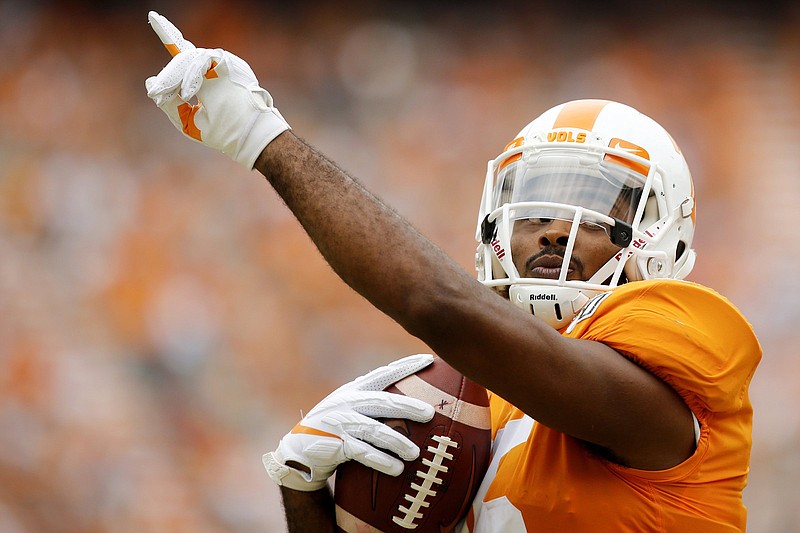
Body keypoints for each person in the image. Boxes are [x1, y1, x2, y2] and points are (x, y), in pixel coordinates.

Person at [144, 12, 762, 532]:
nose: (552, 229)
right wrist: (304, 492)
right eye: (535, 208)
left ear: (663, 236)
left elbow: (436, 303)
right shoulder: (472, 410)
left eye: (596, 211)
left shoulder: (673, 383)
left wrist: (259, 135)